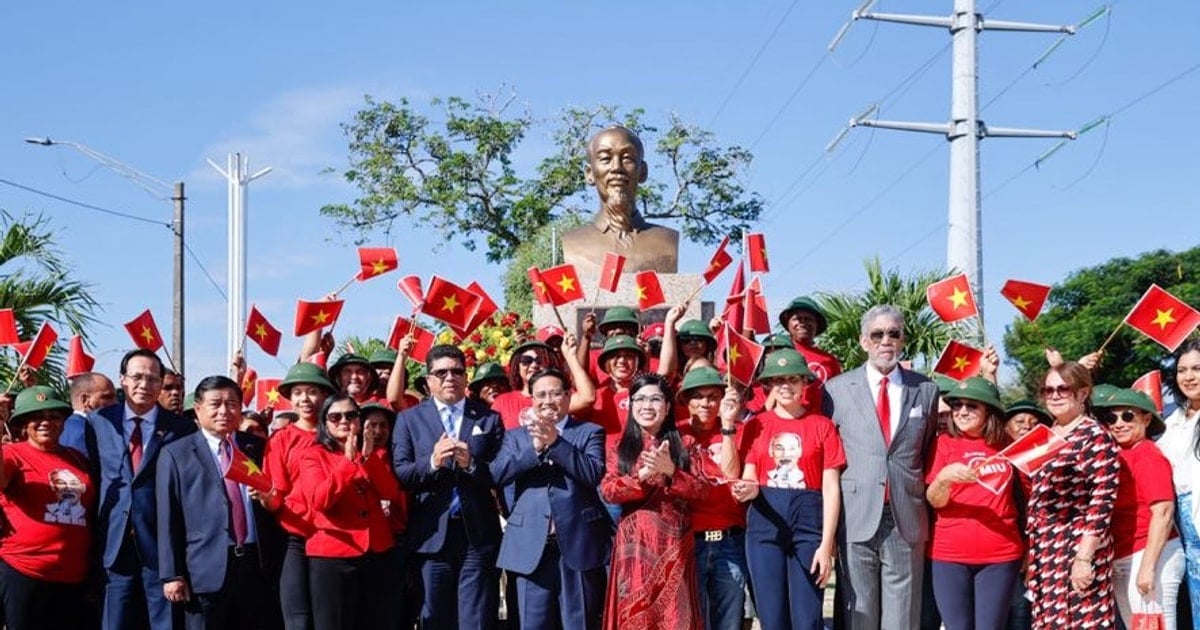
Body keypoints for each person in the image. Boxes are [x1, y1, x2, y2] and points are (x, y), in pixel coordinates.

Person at [823, 305, 939, 629]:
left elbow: (928, 447)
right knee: (859, 614)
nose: (885, 340)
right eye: (877, 334)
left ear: (903, 340)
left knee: (903, 617)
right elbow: (828, 458)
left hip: (906, 515)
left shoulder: (926, 390)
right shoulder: (835, 390)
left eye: (893, 333)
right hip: (855, 515)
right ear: (863, 341)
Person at [156, 376, 282, 630]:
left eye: (232, 404)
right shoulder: (176, 453)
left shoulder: (257, 448)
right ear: (199, 408)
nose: (224, 411)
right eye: (215, 404)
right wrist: (172, 574)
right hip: (204, 569)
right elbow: (167, 517)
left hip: (254, 565)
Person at [393, 344, 505, 629]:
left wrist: (472, 464)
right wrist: (432, 462)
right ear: (428, 380)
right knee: (435, 618)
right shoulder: (409, 419)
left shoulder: (488, 418)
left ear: (466, 377)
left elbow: (500, 473)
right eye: (441, 373)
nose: (449, 378)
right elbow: (402, 474)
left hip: (476, 535)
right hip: (431, 535)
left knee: (475, 620)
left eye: (457, 371)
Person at [84, 348, 197, 630]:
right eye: (136, 377)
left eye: (152, 379)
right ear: (122, 379)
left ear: (161, 383)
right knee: (115, 622)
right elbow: (93, 478)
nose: (144, 385)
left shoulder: (181, 428)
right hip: (113, 543)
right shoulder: (100, 422)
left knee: (164, 623)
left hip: (162, 547)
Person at [491, 368, 612, 630]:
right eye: (541, 395)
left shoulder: (589, 431)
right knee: (531, 623)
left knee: (579, 622)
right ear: (532, 400)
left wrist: (556, 443)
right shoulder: (515, 437)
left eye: (555, 393)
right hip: (529, 546)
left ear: (568, 396)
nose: (548, 401)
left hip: (577, 543)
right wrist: (534, 449)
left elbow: (592, 473)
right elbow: (497, 474)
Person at [735, 349, 845, 630]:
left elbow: (831, 488)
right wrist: (744, 490)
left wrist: (826, 545)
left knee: (807, 618)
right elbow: (749, 477)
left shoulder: (822, 426)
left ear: (804, 383)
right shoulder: (756, 425)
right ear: (769, 385)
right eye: (778, 379)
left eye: (793, 379)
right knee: (772, 618)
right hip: (764, 526)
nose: (786, 386)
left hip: (809, 526)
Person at [600, 373, 704, 629]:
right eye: (640, 399)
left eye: (655, 399)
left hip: (674, 546)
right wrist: (640, 477)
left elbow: (701, 491)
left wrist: (672, 472)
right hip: (634, 547)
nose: (647, 406)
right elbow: (609, 491)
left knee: (675, 615)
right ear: (631, 405)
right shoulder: (618, 446)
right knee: (634, 614)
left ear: (668, 407)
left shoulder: (686, 444)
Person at [925, 377, 1025, 630]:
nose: (962, 411)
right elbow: (935, 501)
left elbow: (1029, 499)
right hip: (949, 555)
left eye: (972, 406)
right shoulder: (943, 444)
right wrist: (944, 478)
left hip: (1001, 554)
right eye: (957, 405)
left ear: (989, 411)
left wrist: (1031, 546)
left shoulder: (1010, 445)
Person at [1025, 362, 1119, 628]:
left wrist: (1084, 558)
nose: (1054, 395)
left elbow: (1102, 501)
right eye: (1048, 389)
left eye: (1063, 389)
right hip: (1046, 550)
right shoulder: (1044, 435)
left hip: (1078, 546)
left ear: (1083, 393)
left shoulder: (1096, 437)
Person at [297, 395, 403, 630]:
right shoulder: (312, 455)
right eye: (335, 417)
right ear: (325, 422)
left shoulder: (372, 453)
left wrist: (366, 458)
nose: (344, 421)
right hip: (334, 555)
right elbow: (320, 499)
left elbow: (390, 492)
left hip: (378, 551)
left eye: (351, 415)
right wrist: (347, 462)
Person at [0, 386, 96, 629]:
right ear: (23, 423)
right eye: (36, 416)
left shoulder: (77, 458)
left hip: (73, 578)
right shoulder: (12, 454)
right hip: (25, 572)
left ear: (64, 422)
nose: (46, 422)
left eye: (53, 416)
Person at [1096, 387, 1184, 629]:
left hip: (1151, 553)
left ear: (1146, 418)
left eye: (1127, 416)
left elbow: (1163, 512)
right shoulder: (1119, 455)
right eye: (1111, 418)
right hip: (1126, 556)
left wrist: (1147, 566)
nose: (1118, 423)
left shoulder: (1146, 453)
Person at [262, 361, 334, 630]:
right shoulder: (280, 439)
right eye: (298, 392)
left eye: (312, 391)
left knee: (329, 616)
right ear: (290, 398)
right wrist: (265, 499)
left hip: (333, 537)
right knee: (298, 619)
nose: (305, 399)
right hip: (294, 537)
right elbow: (276, 495)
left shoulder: (338, 435)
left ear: (325, 395)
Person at [676, 367, 746, 630]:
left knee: (729, 621)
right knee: (692, 619)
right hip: (690, 540)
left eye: (712, 396)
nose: (705, 403)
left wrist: (727, 426)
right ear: (686, 402)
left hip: (730, 540)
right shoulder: (676, 435)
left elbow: (730, 475)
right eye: (698, 397)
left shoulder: (738, 429)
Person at [560, 125, 679, 275]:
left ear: (642, 172)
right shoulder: (572, 243)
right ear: (589, 173)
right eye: (605, 159)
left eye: (627, 158)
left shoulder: (667, 241)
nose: (616, 167)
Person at [1157, 339, 1200, 621]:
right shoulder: (1171, 421)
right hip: (1178, 520)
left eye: (1197, 368)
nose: (1188, 376)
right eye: (1182, 370)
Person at [490, 338, 594, 430]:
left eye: (540, 360)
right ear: (517, 366)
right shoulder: (502, 402)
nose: (534, 365)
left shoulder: (559, 397)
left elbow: (587, 397)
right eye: (526, 360)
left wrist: (571, 357)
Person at [779, 296, 842, 408]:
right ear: (788, 324)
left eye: (808, 319)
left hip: (820, 421)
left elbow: (839, 395)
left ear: (817, 325)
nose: (802, 323)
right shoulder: (778, 353)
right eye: (797, 319)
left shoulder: (830, 361)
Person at [60, 372, 116, 456]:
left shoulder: (63, 427)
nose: (115, 403)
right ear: (85, 399)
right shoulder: (87, 433)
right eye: (107, 397)